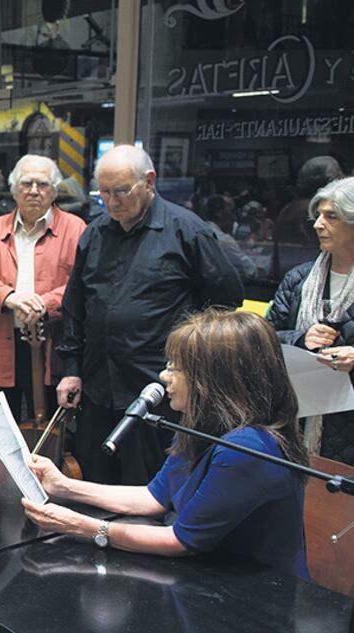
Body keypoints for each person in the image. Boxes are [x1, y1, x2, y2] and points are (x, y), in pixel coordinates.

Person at [22, 309, 309, 580]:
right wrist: (63, 486)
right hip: (205, 577)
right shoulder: (199, 425)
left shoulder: (249, 449)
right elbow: (155, 498)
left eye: (176, 368)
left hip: (252, 601)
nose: (164, 376)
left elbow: (181, 541)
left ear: (214, 380)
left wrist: (77, 525)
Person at [56, 145, 243, 485]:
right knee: (94, 482)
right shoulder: (95, 233)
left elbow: (226, 303)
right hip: (99, 386)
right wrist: (71, 370)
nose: (112, 203)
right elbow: (75, 308)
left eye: (121, 192)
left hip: (159, 390)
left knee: (150, 489)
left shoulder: (188, 231)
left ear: (149, 182)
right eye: (104, 193)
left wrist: (192, 365)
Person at [0, 155, 86, 442]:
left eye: (43, 183)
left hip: (52, 348)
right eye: (26, 183)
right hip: (0, 347)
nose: (34, 190)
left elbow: (85, 282)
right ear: (14, 189)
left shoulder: (75, 229)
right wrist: (9, 297)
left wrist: (47, 302)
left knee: (49, 437)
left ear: (54, 190)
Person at [267, 176, 354, 466]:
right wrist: (300, 339)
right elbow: (264, 338)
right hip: (298, 417)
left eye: (331, 216)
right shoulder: (298, 279)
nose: (318, 224)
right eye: (318, 215)